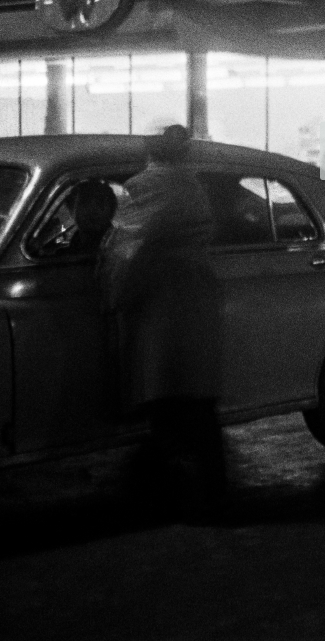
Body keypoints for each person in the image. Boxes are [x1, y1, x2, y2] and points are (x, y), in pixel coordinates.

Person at [101, 125, 226, 519]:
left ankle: (173, 500)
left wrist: (112, 295)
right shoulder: (192, 187)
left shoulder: (146, 188)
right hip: (198, 301)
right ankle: (213, 496)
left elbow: (126, 251)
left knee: (165, 405)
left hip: (161, 309)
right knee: (200, 409)